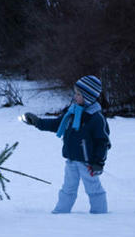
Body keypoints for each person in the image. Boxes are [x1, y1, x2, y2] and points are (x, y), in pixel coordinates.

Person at [21, 75, 110, 214]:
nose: (75, 96)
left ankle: (100, 213)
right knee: (68, 188)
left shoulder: (96, 118)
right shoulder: (72, 111)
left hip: (88, 163)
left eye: (79, 94)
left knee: (93, 188)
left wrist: (98, 162)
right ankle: (61, 212)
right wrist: (38, 122)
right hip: (71, 159)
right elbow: (56, 124)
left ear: (89, 97)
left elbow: (103, 142)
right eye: (75, 93)